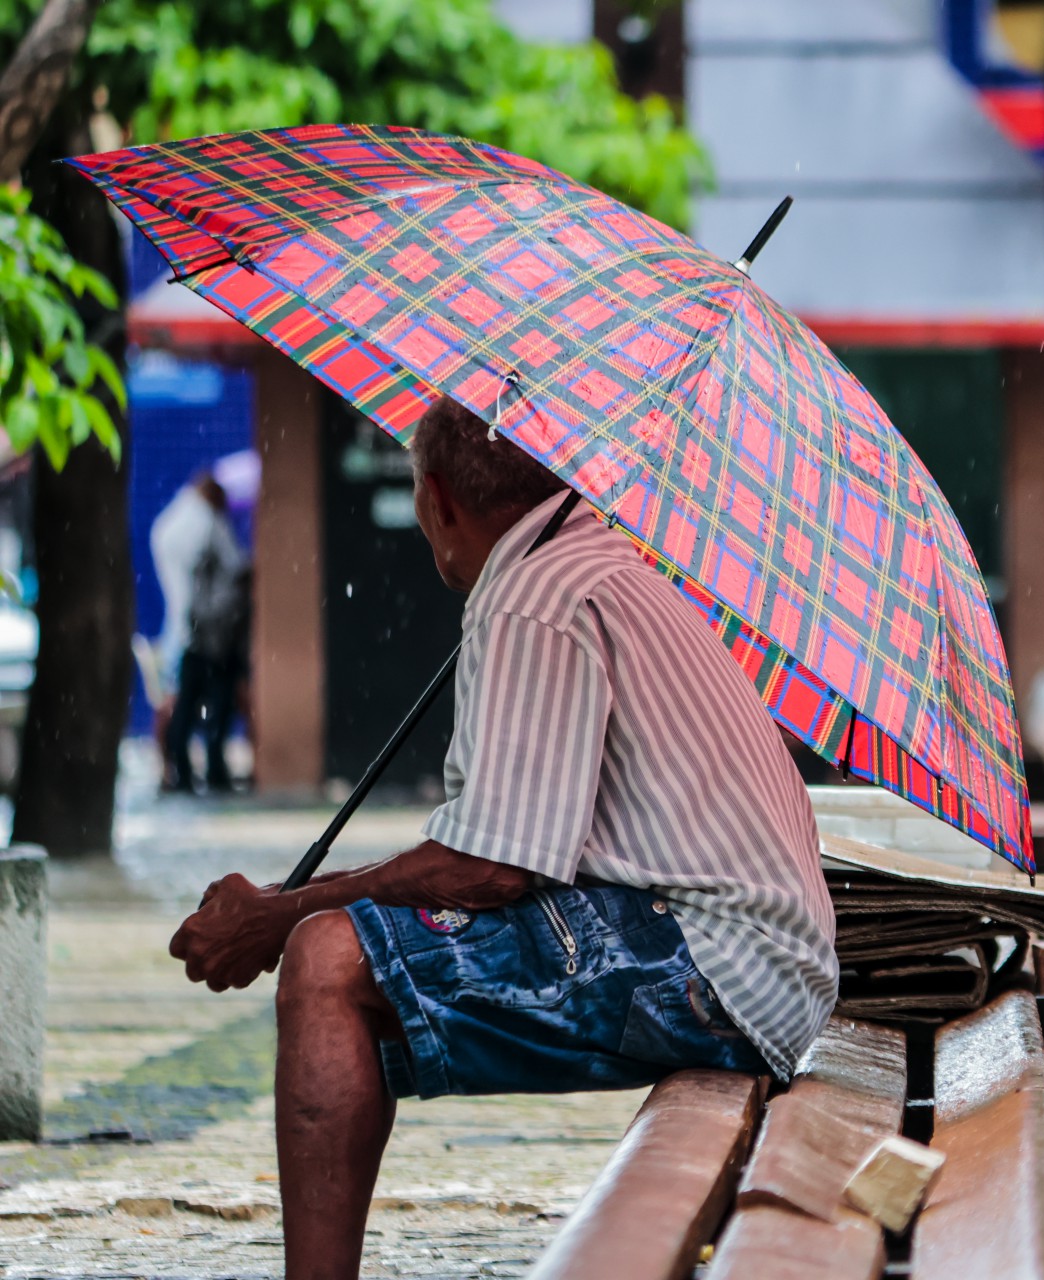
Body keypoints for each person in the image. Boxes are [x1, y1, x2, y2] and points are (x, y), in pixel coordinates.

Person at [167, 395, 837, 1280]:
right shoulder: (589, 566)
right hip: (759, 964)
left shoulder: (534, 597)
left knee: (329, 960)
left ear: (437, 499)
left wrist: (279, 914)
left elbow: (490, 870)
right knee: (358, 959)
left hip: (721, 967)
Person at [150, 473, 249, 792]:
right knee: (214, 709)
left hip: (190, 631)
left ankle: (179, 772)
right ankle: (209, 771)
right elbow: (235, 569)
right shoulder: (209, 525)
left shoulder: (174, 523)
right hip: (212, 636)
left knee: (185, 706)